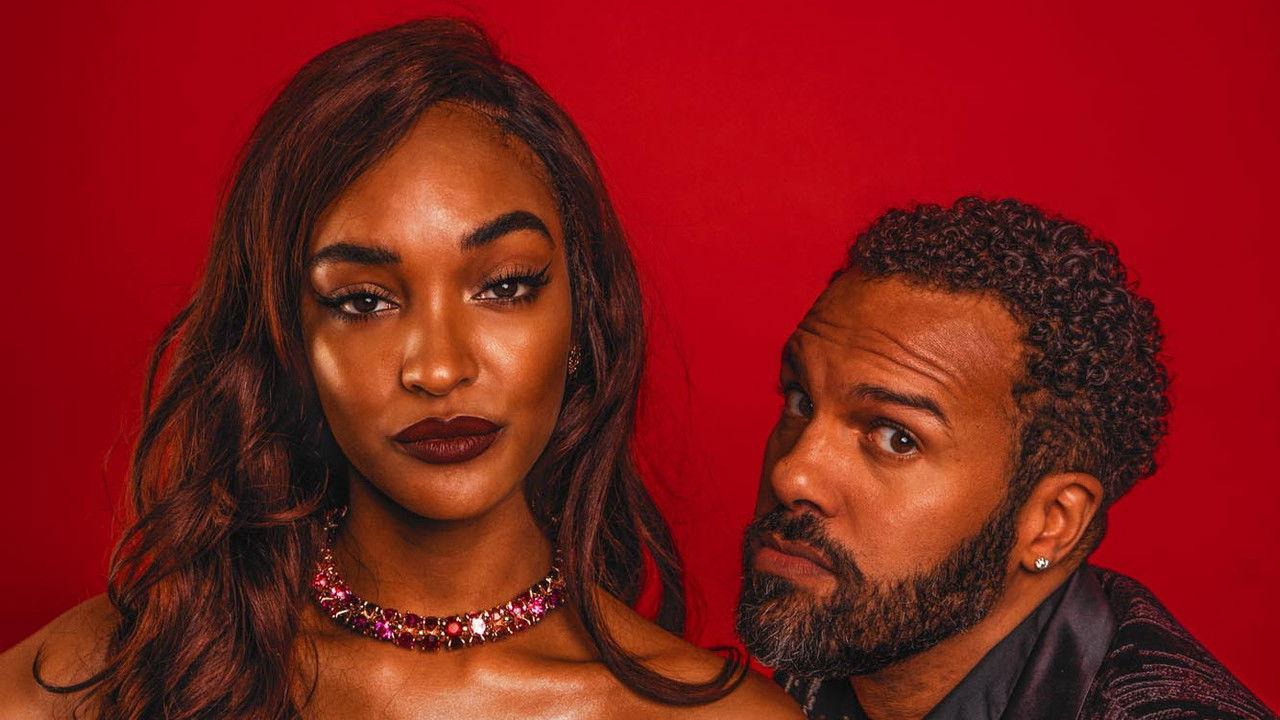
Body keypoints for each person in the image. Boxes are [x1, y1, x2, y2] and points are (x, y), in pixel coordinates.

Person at [0, 19, 799, 719]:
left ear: (582, 319)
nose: (440, 369)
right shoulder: (134, 664)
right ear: (289, 342)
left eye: (505, 286)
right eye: (363, 301)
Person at [735, 197, 1274, 720]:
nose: (792, 474)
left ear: (1050, 522)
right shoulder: (850, 625)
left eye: (898, 438)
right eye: (801, 402)